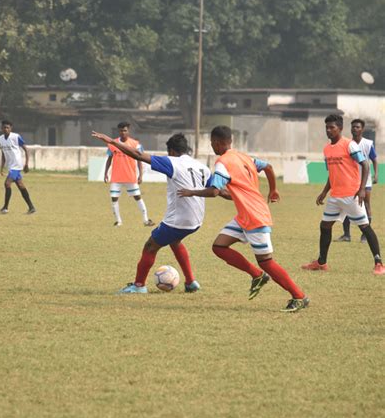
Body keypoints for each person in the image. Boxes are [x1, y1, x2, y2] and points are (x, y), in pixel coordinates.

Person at [178, 126, 309, 312]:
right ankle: (257, 275)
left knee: (267, 262)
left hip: (254, 215)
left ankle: (299, 296)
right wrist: (273, 189)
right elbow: (269, 167)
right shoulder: (244, 157)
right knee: (219, 246)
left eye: (212, 143)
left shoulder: (222, 162)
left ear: (218, 142)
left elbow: (215, 191)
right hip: (245, 216)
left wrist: (192, 192)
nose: (212, 146)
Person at [93, 130, 211, 293]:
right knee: (175, 241)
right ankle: (191, 282)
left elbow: (137, 155)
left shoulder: (172, 162)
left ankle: (139, 286)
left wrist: (113, 142)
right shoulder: (202, 166)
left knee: (150, 246)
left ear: (171, 151)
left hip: (179, 220)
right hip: (196, 220)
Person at [302, 114, 384, 275]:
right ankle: (321, 263)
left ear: (339, 128)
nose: (329, 130)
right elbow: (332, 173)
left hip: (351, 195)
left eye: (332, 127)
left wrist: (361, 189)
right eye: (327, 127)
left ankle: (379, 263)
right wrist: (324, 192)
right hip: (335, 197)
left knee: (364, 227)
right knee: (325, 226)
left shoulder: (350, 145)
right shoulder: (327, 149)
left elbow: (365, 165)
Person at [336, 119, 379, 243]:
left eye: (357, 127)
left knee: (366, 205)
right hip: (350, 181)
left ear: (362, 129)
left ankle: (365, 236)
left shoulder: (368, 144)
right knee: (346, 205)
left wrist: (376, 174)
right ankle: (346, 235)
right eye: (353, 127)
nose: (354, 129)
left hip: (365, 181)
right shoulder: (347, 144)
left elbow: (374, 159)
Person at [104, 122, 154, 227]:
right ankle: (118, 221)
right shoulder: (113, 144)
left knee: (137, 197)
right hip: (116, 177)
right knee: (114, 198)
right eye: (121, 130)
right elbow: (109, 159)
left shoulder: (136, 144)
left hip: (130, 177)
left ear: (128, 131)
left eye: (125, 130)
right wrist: (105, 173)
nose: (123, 132)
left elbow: (140, 160)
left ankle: (145, 220)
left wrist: (140, 175)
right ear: (118, 131)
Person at [0, 120, 36, 214]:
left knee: (7, 184)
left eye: (8, 127)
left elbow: (26, 150)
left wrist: (26, 164)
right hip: (10, 166)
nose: (6, 129)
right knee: (21, 186)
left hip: (16, 166)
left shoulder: (15, 137)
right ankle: (31, 207)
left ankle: (5, 208)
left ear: (11, 128)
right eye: (4, 127)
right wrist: (2, 168)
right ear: (1, 128)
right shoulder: (0, 139)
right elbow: (3, 154)